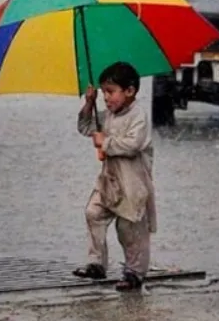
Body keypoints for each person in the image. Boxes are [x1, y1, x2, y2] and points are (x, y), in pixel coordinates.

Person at [73, 62, 157, 291]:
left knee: (130, 229)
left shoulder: (138, 116)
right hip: (109, 181)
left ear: (130, 91)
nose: (106, 98)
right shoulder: (108, 115)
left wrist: (106, 142)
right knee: (94, 213)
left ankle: (134, 272)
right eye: (104, 93)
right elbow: (85, 127)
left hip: (132, 183)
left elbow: (132, 145)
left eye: (111, 92)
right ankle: (96, 263)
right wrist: (89, 104)